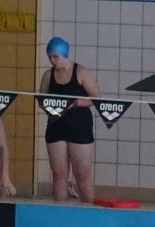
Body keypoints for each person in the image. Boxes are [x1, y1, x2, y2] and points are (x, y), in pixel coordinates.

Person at [38, 37, 101, 204]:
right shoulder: (48, 75)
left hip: (80, 128)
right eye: (49, 57)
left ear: (64, 54)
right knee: (59, 175)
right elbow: (41, 100)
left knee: (82, 175)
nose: (52, 60)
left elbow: (98, 99)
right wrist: (50, 105)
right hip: (55, 128)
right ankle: (59, 213)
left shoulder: (81, 72)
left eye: (55, 56)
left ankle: (88, 213)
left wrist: (75, 103)